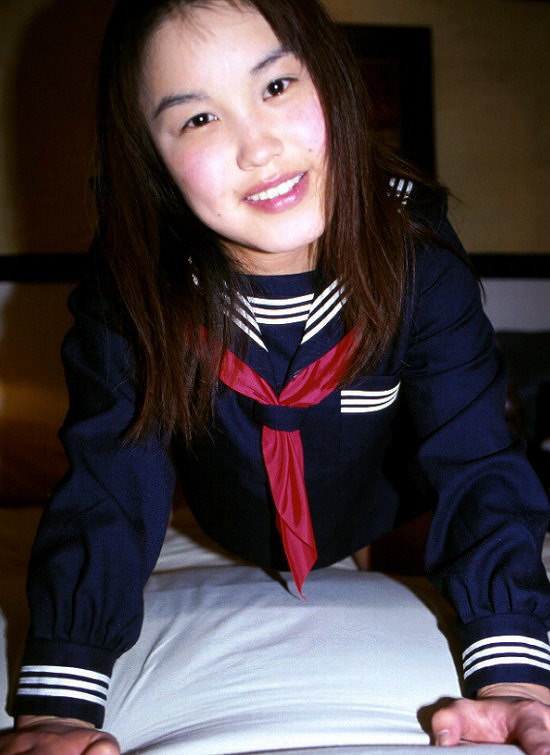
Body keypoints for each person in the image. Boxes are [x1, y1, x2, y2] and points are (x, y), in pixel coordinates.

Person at [2, 0, 550, 752]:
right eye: (198, 118)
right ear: (149, 156)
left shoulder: (418, 259)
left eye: (276, 86)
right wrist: (58, 700)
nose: (258, 147)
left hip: (383, 502)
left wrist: (517, 678)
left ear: (332, 81)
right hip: (230, 517)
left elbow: (477, 453)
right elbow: (111, 477)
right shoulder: (131, 284)